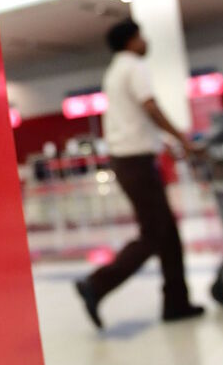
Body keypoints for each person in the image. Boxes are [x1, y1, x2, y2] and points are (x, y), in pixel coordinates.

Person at [74, 18, 205, 329]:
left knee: (167, 235)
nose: (145, 41)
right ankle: (97, 284)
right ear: (130, 41)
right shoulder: (134, 66)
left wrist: (166, 143)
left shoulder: (116, 70)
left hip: (132, 160)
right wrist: (182, 138)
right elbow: (150, 107)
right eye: (140, 36)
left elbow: (137, 116)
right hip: (134, 162)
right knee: (155, 234)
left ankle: (176, 302)